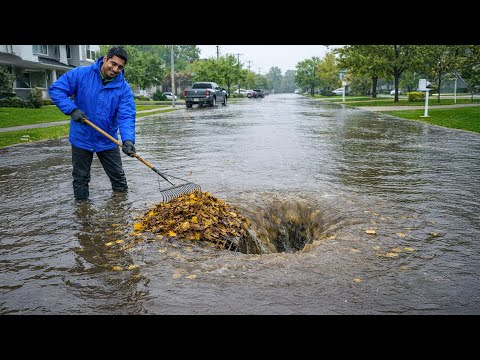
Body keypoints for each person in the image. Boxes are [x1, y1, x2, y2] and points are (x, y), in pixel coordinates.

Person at [49, 46, 137, 200]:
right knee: (80, 179)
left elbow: (126, 116)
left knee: (119, 181)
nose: (116, 69)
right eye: (113, 63)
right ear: (105, 59)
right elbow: (56, 89)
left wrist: (128, 140)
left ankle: (120, 215)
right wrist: (72, 109)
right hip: (81, 137)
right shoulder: (81, 74)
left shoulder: (124, 89)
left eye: (120, 67)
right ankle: (83, 216)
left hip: (107, 139)